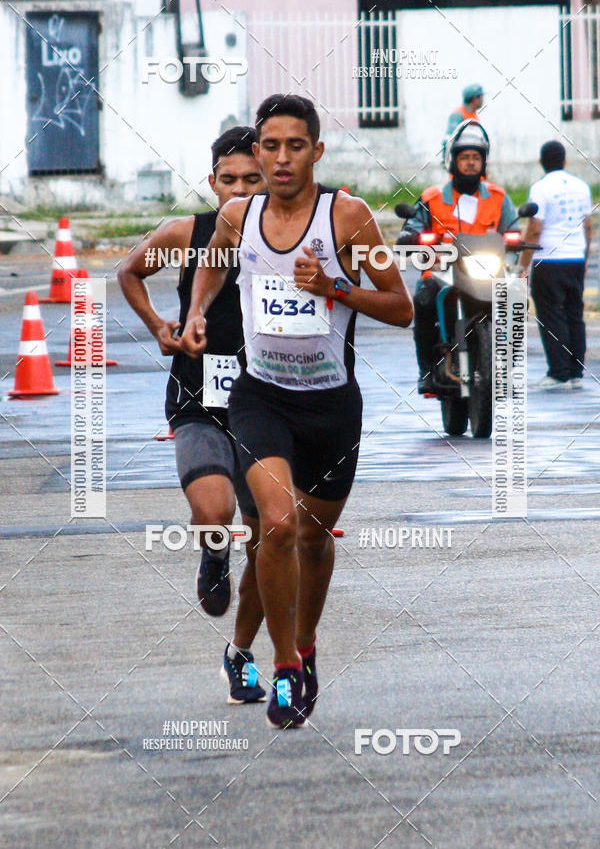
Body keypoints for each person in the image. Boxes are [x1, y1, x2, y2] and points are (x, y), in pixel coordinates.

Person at [181, 94, 413, 728]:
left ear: (316, 150)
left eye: (295, 145)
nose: (281, 158)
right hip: (261, 399)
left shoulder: (349, 217)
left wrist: (333, 286)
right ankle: (284, 664)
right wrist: (198, 312)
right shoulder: (237, 215)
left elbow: (401, 307)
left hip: (332, 407)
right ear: (257, 150)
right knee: (277, 526)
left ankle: (306, 648)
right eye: (270, 146)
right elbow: (212, 267)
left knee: (314, 537)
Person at [117, 126, 268, 704]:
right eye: (227, 180)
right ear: (211, 182)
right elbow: (129, 272)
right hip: (197, 396)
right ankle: (212, 551)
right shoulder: (186, 233)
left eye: (250, 180)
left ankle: (242, 655)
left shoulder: (286, 236)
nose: (238, 191)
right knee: (214, 511)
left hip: (268, 401)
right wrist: (160, 326)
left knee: (267, 537)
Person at [399, 119, 517, 394]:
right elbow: (412, 228)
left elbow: (512, 229)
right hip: (442, 272)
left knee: (513, 300)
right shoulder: (432, 197)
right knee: (424, 299)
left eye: (476, 158)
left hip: (486, 271)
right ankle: (427, 370)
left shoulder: (499, 197)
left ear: (484, 162)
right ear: (453, 161)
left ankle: (502, 365)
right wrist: (413, 236)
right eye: (465, 157)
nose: (471, 163)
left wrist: (515, 238)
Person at [519, 140, 592, 390]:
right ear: (564, 160)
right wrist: (584, 257)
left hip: (548, 259)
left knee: (552, 316)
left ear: (541, 162)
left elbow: (535, 229)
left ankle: (558, 372)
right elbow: (588, 226)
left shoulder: (540, 189)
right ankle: (576, 372)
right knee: (575, 314)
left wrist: (523, 265)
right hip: (575, 258)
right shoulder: (582, 187)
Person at [442, 83, 484, 160]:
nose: (482, 99)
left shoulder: (473, 115)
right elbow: (448, 139)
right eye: (481, 96)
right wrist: (447, 161)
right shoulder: (458, 115)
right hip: (462, 165)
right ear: (474, 98)